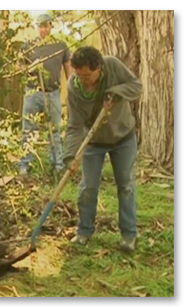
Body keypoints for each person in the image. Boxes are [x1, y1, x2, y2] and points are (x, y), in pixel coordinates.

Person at [63, 46, 142, 252]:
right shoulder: (74, 87)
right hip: (94, 142)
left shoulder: (113, 66)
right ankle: (84, 231)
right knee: (88, 187)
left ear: (99, 68)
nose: (83, 80)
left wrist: (116, 93)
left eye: (87, 75)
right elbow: (74, 125)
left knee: (125, 186)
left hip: (123, 137)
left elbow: (136, 86)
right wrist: (70, 155)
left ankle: (128, 235)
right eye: (79, 75)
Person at [19, 13, 72, 176]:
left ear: (51, 26)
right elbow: (19, 66)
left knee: (54, 130)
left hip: (53, 93)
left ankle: (57, 164)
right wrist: (30, 68)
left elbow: (68, 68)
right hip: (33, 93)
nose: (43, 29)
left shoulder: (60, 45)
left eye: (46, 26)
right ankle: (24, 164)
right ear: (37, 27)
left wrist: (70, 87)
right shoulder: (28, 46)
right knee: (28, 128)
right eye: (41, 26)